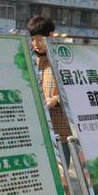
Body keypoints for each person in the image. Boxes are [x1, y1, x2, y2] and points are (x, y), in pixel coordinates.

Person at [27, 15, 71, 166]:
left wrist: (56, 101)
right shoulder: (31, 60)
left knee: (62, 175)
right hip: (38, 131)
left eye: (39, 39)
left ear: (51, 35)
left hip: (61, 131)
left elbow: (74, 90)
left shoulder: (63, 59)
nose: (35, 44)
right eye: (32, 40)